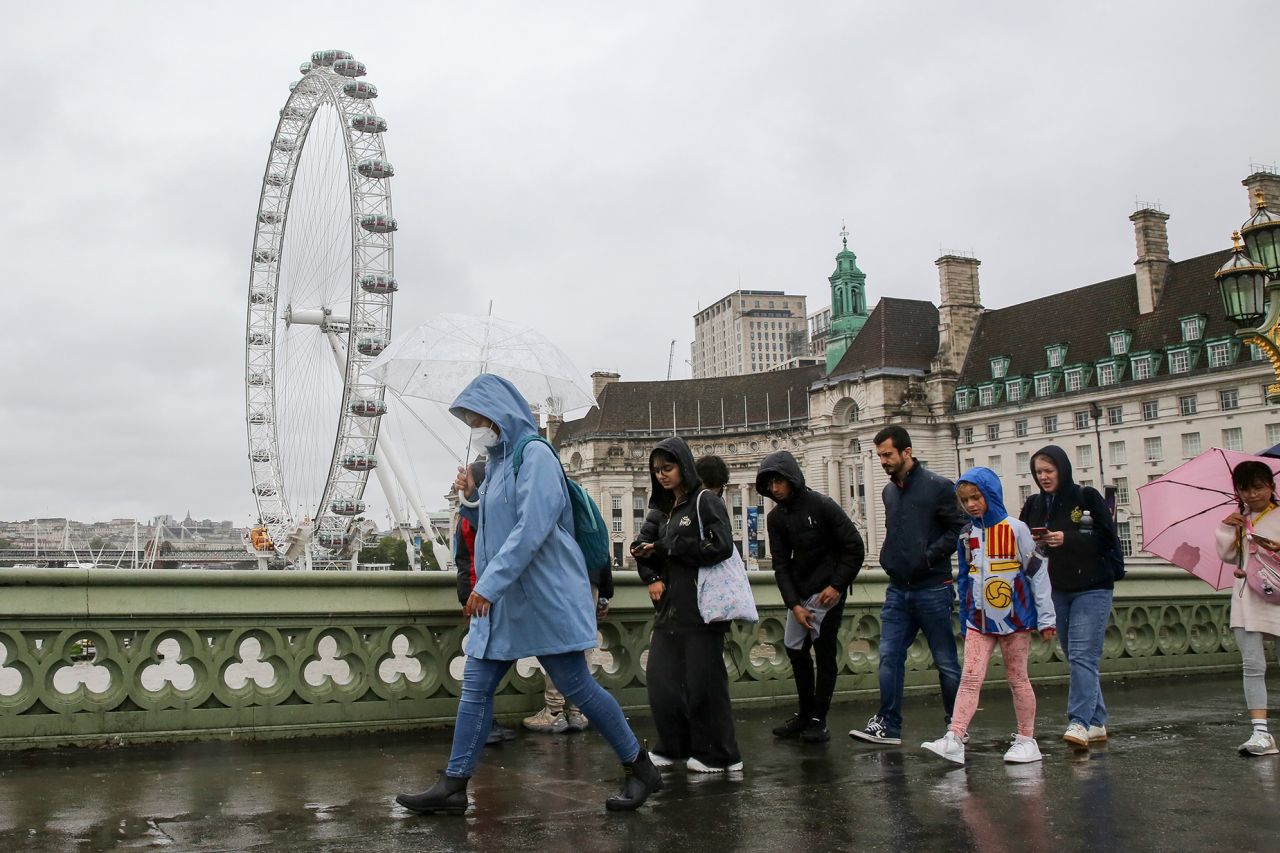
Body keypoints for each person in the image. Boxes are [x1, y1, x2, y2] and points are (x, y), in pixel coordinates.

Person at [396, 374, 661, 814]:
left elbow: (532, 529)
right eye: (471, 421)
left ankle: (640, 766)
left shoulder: (535, 455)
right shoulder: (498, 464)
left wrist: (487, 586)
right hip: (509, 602)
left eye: (479, 418)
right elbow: (493, 532)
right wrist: (471, 499)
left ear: (501, 414)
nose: (476, 427)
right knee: (476, 687)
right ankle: (454, 783)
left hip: (543, 597)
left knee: (578, 686)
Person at [920, 467, 1056, 765]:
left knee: (1018, 679)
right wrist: (966, 615)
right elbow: (966, 578)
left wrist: (1046, 618)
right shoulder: (967, 534)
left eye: (976, 497)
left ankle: (1026, 739)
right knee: (969, 677)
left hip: (1015, 618)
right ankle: (955, 738)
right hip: (979, 620)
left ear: (990, 495)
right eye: (965, 500)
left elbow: (1037, 572)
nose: (970, 505)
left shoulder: (1016, 529)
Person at [850, 425, 967, 746]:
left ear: (907, 452)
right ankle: (888, 724)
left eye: (887, 454)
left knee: (945, 660)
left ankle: (956, 727)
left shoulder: (938, 487)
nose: (883, 461)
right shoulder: (889, 492)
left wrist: (928, 556)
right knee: (888, 656)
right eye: (879, 456)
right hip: (898, 587)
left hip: (933, 586)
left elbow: (960, 528)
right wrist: (890, 558)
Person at [632, 437, 743, 772]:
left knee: (704, 685)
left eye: (668, 468)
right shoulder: (664, 509)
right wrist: (649, 559)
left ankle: (722, 755)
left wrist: (669, 547)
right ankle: (675, 746)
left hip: (702, 608)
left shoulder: (705, 501)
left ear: (684, 466)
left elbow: (721, 546)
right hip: (670, 607)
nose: (662, 475)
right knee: (661, 681)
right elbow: (652, 544)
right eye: (657, 471)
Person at [755, 450, 865, 743]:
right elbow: (780, 563)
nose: (774, 489)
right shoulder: (776, 518)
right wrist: (793, 604)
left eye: (778, 481)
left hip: (828, 592)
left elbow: (854, 547)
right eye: (769, 484)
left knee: (825, 652)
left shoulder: (822, 505)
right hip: (801, 593)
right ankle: (805, 714)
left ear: (792, 478)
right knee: (795, 651)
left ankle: (819, 718)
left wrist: (837, 586)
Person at [1018, 444, 1119, 748]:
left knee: (1081, 655)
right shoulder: (1034, 503)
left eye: (1049, 471)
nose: (1044, 477)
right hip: (1056, 588)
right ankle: (1097, 721)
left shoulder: (1085, 498)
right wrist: (1037, 542)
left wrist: (1068, 538)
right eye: (1039, 472)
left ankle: (1079, 721)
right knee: (1076, 656)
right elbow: (1022, 542)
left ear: (1062, 469)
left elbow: (1106, 536)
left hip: (1092, 585)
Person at [1214, 460, 1280, 756]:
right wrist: (1228, 530)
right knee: (1253, 666)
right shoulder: (1238, 520)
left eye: (1258, 487)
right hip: (1246, 596)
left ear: (1271, 487)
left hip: (1277, 595)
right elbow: (1228, 556)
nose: (1252, 495)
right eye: (1244, 489)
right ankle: (1261, 733)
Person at [453, 458, 517, 747]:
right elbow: (470, 558)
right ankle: (485, 725)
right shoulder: (472, 516)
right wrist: (470, 596)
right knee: (481, 668)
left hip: (485, 593)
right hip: (481, 595)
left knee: (484, 670)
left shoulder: (471, 512)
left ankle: (486, 724)